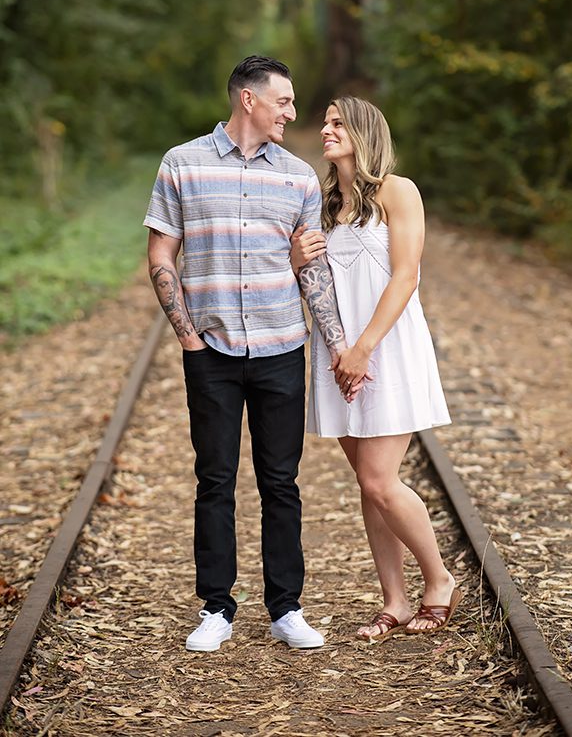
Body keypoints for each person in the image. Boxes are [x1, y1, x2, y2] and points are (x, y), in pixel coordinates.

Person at [144, 55, 362, 652]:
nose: (292, 113)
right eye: (283, 101)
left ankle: (286, 609)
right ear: (249, 99)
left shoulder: (299, 177)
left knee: (281, 483)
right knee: (214, 479)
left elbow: (311, 271)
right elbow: (161, 255)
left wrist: (338, 346)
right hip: (210, 350)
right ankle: (216, 608)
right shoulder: (182, 163)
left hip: (281, 346)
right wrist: (188, 338)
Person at [290, 96, 461, 641]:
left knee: (379, 479)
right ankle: (395, 599)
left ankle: (439, 580)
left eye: (338, 123)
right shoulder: (321, 204)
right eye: (325, 122)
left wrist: (363, 349)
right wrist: (295, 262)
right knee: (368, 485)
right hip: (338, 354)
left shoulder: (397, 191)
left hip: (385, 347)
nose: (326, 129)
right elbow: (312, 280)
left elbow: (406, 275)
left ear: (365, 132)